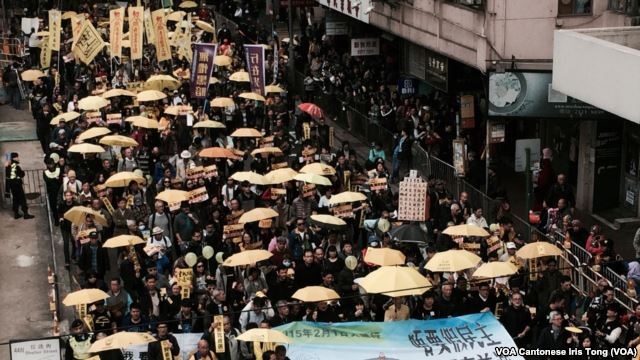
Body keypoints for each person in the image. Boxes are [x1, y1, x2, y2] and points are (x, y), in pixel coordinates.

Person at [5, 152, 34, 219]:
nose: (18, 158)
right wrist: (22, 172)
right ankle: (26, 214)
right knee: (22, 199)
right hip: (17, 184)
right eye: (17, 157)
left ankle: (16, 214)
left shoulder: (8, 166)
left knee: (15, 199)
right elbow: (21, 174)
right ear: (14, 158)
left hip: (11, 185)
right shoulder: (16, 166)